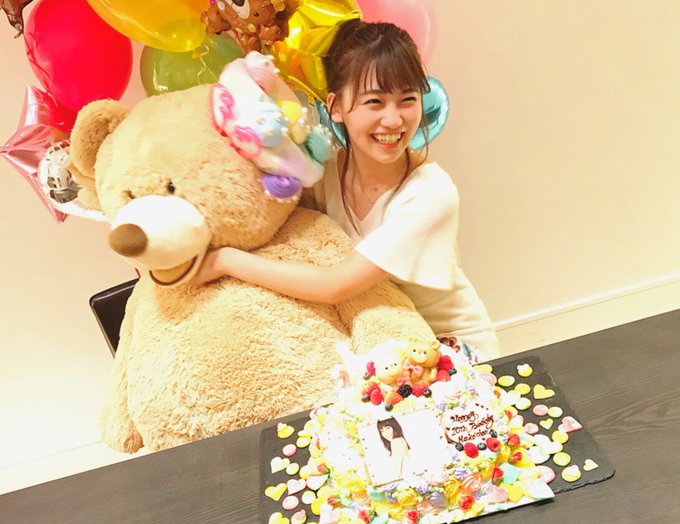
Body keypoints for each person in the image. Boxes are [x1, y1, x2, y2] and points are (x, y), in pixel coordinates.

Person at [193, 20, 499, 361]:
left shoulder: (430, 194)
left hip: (452, 348)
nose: (394, 120)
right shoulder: (323, 173)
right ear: (335, 106)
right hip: (381, 344)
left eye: (407, 99)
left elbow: (335, 286)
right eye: (375, 101)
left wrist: (224, 261)